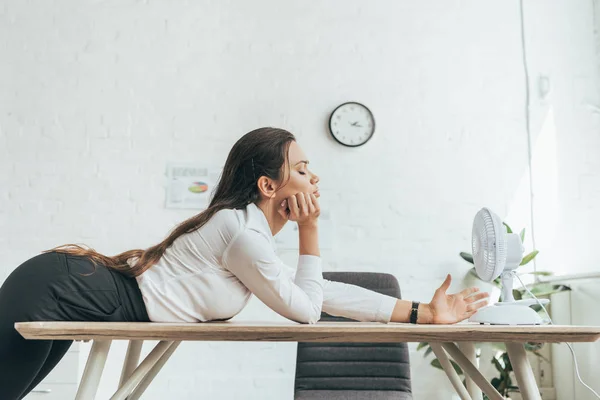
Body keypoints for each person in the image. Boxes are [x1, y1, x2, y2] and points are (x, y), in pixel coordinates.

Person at [0, 127, 489, 399]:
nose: (314, 178)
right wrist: (310, 230)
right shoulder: (240, 231)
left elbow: (314, 293)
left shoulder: (249, 235)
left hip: (76, 289)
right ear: (268, 187)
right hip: (60, 288)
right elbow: (306, 310)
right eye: (301, 168)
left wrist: (424, 313)